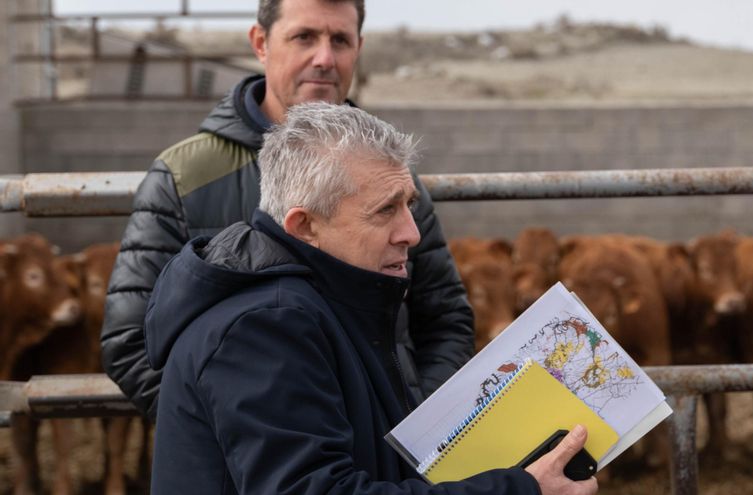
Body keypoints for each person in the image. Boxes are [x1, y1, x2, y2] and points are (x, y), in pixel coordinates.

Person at [146, 102, 599, 495]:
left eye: (408, 204)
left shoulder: (328, 300)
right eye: (385, 210)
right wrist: (520, 490)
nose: (412, 233)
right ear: (304, 225)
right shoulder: (265, 327)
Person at [101, 0, 474, 420]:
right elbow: (131, 342)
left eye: (341, 40)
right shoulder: (185, 176)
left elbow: (445, 318)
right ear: (260, 43)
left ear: (359, 47)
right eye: (304, 37)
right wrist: (248, 433)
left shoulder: (388, 170)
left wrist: (414, 425)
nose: (325, 58)